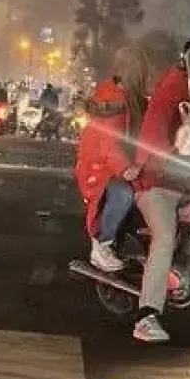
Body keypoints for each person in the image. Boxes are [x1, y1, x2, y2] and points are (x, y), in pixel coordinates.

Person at [129, 37, 190, 344]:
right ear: (189, 61)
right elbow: (153, 139)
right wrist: (169, 160)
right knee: (164, 237)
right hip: (157, 182)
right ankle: (146, 316)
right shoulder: (173, 88)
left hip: (187, 182)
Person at [73, 68, 145, 274]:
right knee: (123, 194)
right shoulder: (113, 99)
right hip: (99, 169)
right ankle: (102, 245)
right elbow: (109, 143)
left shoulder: (122, 96)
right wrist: (125, 169)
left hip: (107, 165)